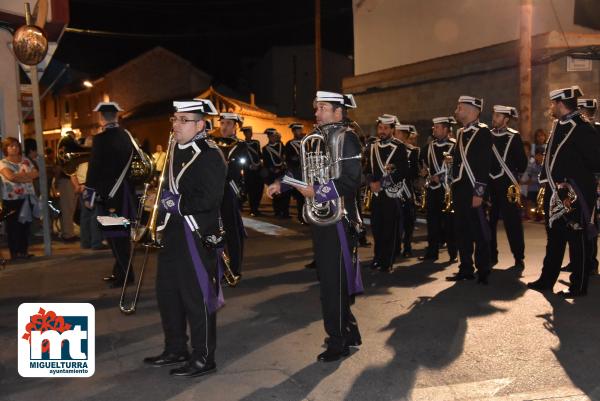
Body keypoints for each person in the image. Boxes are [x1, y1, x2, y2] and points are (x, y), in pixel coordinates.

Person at [268, 91, 364, 362]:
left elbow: (352, 180)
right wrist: (283, 184)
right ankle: (349, 331)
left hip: (340, 220)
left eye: (322, 108)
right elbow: (303, 173)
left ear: (338, 111)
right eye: (317, 108)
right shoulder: (316, 139)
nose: (317, 113)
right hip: (322, 221)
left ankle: (338, 341)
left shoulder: (347, 138)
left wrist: (318, 193)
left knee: (333, 284)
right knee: (332, 280)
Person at [143, 98, 226, 378]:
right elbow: (170, 188)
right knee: (168, 294)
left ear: (201, 125)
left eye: (183, 120)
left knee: (196, 297)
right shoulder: (172, 149)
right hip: (172, 232)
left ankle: (203, 357)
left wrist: (167, 202)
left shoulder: (210, 154)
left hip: (195, 233)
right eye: (174, 119)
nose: (176, 125)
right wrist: (155, 202)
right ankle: (176, 348)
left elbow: (208, 199)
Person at [527, 86, 600, 297]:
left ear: (560, 104)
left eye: (552, 104)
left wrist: (572, 180)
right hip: (554, 192)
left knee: (577, 238)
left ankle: (578, 285)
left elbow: (595, 161)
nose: (551, 107)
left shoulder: (582, 127)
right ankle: (546, 279)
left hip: (574, 193)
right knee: (555, 237)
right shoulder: (559, 125)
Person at [83, 101, 135, 288]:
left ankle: (125, 274)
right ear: (117, 116)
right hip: (125, 193)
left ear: (101, 117)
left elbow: (94, 169)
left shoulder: (100, 139)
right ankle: (121, 271)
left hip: (110, 195)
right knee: (120, 235)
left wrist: (88, 194)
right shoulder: (127, 136)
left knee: (115, 236)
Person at [447, 95, 493, 284]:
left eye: (460, 107)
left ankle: (483, 270)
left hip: (474, 189)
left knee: (479, 232)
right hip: (460, 189)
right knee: (462, 231)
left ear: (472, 110)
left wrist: (479, 193)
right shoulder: (460, 133)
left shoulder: (483, 132)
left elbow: (484, 165)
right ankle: (465, 268)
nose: (456, 110)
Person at [365, 114, 408, 272]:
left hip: (390, 194)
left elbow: (402, 171)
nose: (381, 131)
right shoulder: (373, 147)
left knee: (390, 229)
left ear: (392, 129)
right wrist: (370, 183)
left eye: (385, 128)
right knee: (377, 228)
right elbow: (367, 169)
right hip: (376, 195)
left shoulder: (399, 147)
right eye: (380, 128)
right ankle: (377, 258)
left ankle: (387, 261)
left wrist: (381, 184)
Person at [488, 105, 528, 271]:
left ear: (506, 119)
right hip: (490, 184)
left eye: (498, 116)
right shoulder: (487, 136)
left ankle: (518, 256)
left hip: (507, 185)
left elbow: (522, 164)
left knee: (512, 222)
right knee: (489, 222)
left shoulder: (514, 137)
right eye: (494, 115)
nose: (494, 118)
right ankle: (491, 254)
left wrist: (511, 171)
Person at [214, 112, 248, 279]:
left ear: (235, 127)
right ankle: (219, 268)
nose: (224, 127)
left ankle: (235, 268)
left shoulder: (241, 146)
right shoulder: (213, 144)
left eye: (228, 124)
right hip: (214, 192)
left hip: (229, 192)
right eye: (222, 123)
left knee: (232, 231)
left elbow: (240, 170)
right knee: (215, 232)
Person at [418, 116, 457, 262]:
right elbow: (423, 166)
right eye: (434, 127)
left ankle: (453, 254)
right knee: (432, 222)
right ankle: (432, 253)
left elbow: (459, 168)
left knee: (450, 224)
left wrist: (440, 177)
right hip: (433, 190)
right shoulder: (428, 147)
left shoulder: (456, 145)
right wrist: (424, 173)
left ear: (446, 129)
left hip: (448, 190)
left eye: (438, 127)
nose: (434, 129)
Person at [0, 137, 39, 260]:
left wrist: (21, 176)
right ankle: (15, 253)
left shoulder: (25, 160)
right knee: (13, 227)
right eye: (11, 146)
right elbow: (10, 177)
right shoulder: (3, 163)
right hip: (11, 199)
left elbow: (36, 173)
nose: (14, 148)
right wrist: (26, 177)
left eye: (16, 145)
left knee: (25, 225)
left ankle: (23, 251)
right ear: (5, 148)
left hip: (27, 197)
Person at [71, 135, 105, 250]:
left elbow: (72, 173)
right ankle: (96, 242)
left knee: (85, 216)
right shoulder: (94, 156)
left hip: (83, 188)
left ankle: (85, 242)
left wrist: (77, 186)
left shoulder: (78, 157)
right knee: (96, 214)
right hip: (92, 187)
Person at [394, 123, 419, 258]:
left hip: (406, 189)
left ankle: (407, 245)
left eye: (397, 133)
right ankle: (396, 246)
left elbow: (414, 173)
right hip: (393, 189)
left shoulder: (413, 151)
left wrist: (403, 172)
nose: (394, 135)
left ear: (403, 136)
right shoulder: (391, 149)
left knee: (409, 219)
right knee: (395, 219)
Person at [56, 130, 86, 242]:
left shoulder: (65, 152)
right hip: (67, 181)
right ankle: (68, 234)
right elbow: (65, 169)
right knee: (68, 208)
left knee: (70, 208)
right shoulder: (64, 153)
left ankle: (68, 232)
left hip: (67, 181)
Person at [283, 122, 306, 224]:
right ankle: (301, 216)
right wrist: (293, 159)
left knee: (308, 196)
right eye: (296, 130)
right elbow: (288, 159)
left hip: (307, 172)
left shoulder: (306, 141)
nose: (298, 132)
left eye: (299, 130)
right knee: (300, 196)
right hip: (297, 173)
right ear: (293, 131)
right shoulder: (289, 144)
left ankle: (307, 216)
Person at [262, 128, 287, 217]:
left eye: (273, 136)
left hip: (282, 172)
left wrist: (283, 165)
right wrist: (272, 169)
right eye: (271, 136)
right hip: (273, 173)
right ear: (268, 137)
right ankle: (277, 212)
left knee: (284, 192)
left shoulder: (281, 146)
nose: (272, 138)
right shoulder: (265, 148)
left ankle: (285, 212)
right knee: (275, 193)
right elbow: (266, 162)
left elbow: (285, 157)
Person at [241, 126, 264, 216]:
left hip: (258, 169)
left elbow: (259, 154)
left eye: (249, 133)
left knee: (258, 189)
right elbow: (241, 158)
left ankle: (256, 207)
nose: (248, 134)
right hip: (248, 170)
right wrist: (249, 166)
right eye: (246, 133)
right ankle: (252, 209)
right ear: (244, 134)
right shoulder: (242, 144)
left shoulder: (256, 143)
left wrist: (259, 164)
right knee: (250, 191)